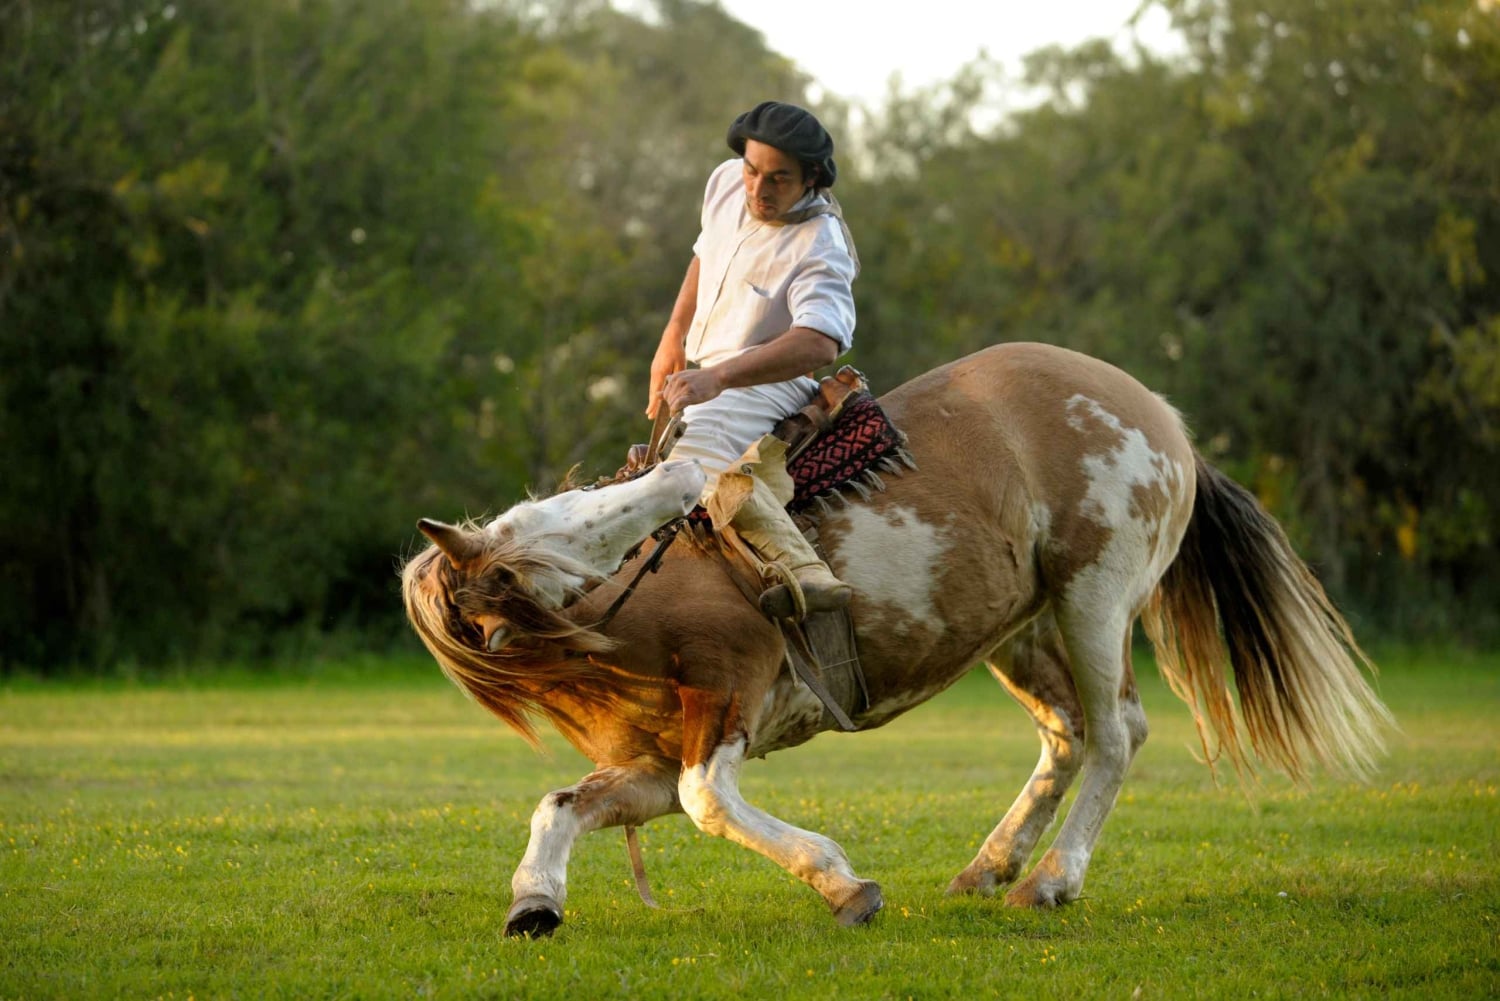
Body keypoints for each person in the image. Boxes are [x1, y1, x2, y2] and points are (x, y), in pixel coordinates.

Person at [646, 101, 859, 617]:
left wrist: (717, 377)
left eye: (778, 179)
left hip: (769, 382)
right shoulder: (724, 181)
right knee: (646, 481)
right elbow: (706, 253)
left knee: (682, 476)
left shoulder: (822, 242)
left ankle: (806, 571)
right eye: (752, 170)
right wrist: (673, 334)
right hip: (703, 378)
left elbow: (820, 342)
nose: (758, 190)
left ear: (810, 178)